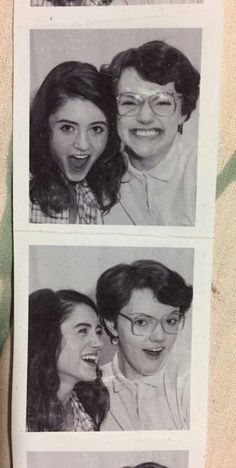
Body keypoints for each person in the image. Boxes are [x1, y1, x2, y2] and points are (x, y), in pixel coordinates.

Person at [100, 40, 200, 226]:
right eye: (129, 102)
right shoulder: (97, 174)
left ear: (183, 113)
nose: (145, 117)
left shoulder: (205, 170)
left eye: (162, 102)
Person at [96, 259, 193, 430]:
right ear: (112, 325)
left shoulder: (190, 376)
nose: (159, 336)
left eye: (171, 320)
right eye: (141, 322)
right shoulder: (90, 388)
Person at [30, 61, 124, 223]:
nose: (83, 144)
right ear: (44, 127)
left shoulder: (89, 193)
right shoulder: (23, 192)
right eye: (67, 128)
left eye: (96, 129)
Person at [27, 288, 109, 431]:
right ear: (48, 338)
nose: (99, 343)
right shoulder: (20, 416)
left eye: (98, 332)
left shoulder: (88, 410)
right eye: (83, 330)